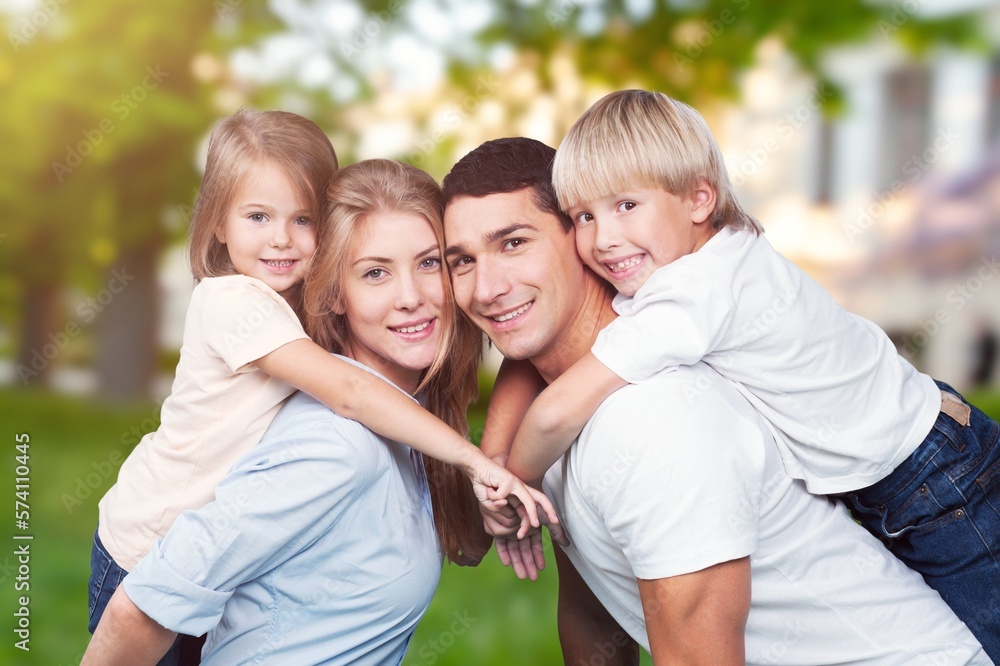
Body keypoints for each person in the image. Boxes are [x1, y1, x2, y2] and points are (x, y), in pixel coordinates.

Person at [440, 137, 993, 664]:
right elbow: (594, 609)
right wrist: (499, 471)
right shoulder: (568, 390)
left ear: (578, 241)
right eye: (461, 261)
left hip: (936, 481)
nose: (486, 288)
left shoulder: (653, 417)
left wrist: (511, 478)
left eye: (514, 243)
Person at [89, 110, 557, 660]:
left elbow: (453, 535)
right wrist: (481, 462)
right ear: (334, 293)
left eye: (429, 263)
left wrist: (494, 488)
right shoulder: (332, 439)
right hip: (140, 540)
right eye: (375, 272)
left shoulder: (406, 413)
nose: (410, 295)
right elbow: (138, 609)